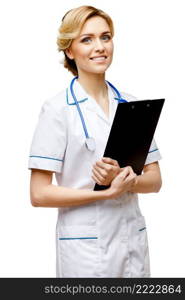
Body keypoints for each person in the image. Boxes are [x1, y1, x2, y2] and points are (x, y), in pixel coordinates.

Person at [28, 5, 162, 278]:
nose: (100, 47)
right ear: (69, 50)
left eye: (106, 37)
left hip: (132, 242)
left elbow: (156, 180)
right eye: (86, 39)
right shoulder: (57, 110)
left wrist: (127, 181)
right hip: (85, 252)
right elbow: (39, 194)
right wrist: (106, 193)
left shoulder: (133, 105)